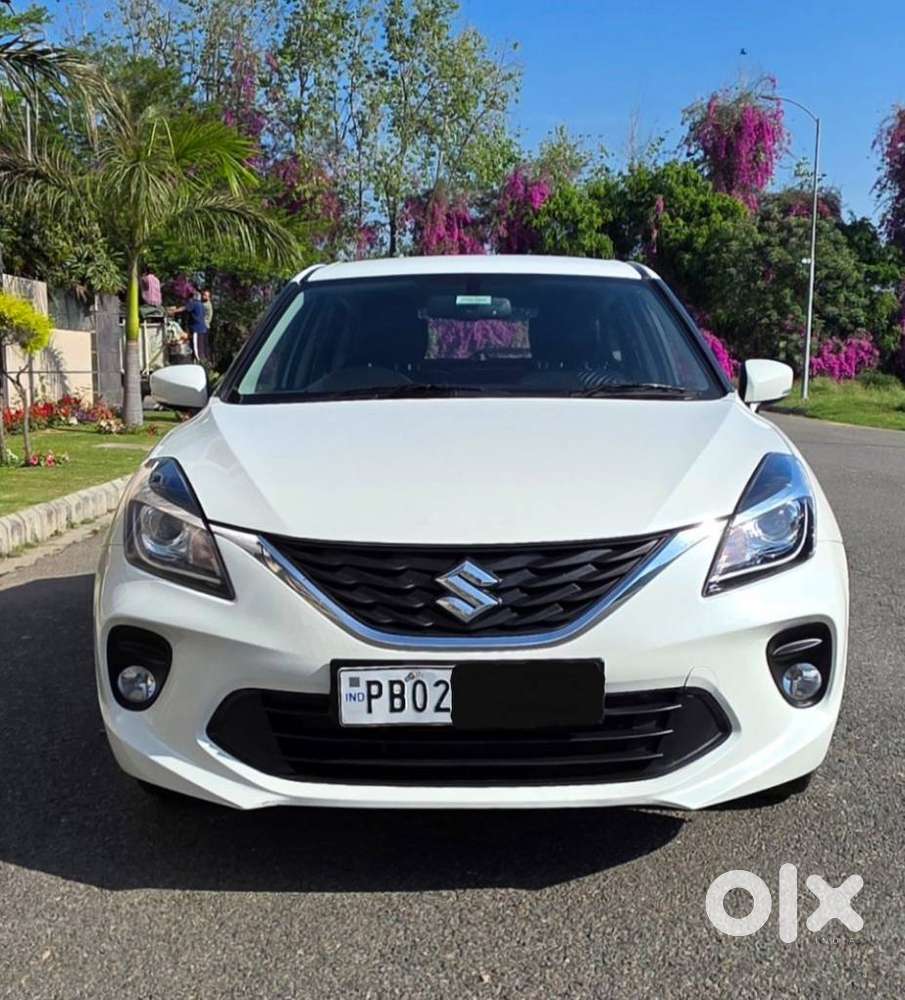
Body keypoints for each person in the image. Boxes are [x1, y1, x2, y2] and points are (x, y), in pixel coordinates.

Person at [169, 290, 209, 362]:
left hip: (197, 329)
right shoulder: (201, 305)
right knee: (200, 348)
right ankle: (200, 362)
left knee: (196, 349)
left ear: (194, 297)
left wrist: (173, 311)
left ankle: (199, 363)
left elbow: (184, 308)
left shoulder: (194, 303)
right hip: (202, 329)